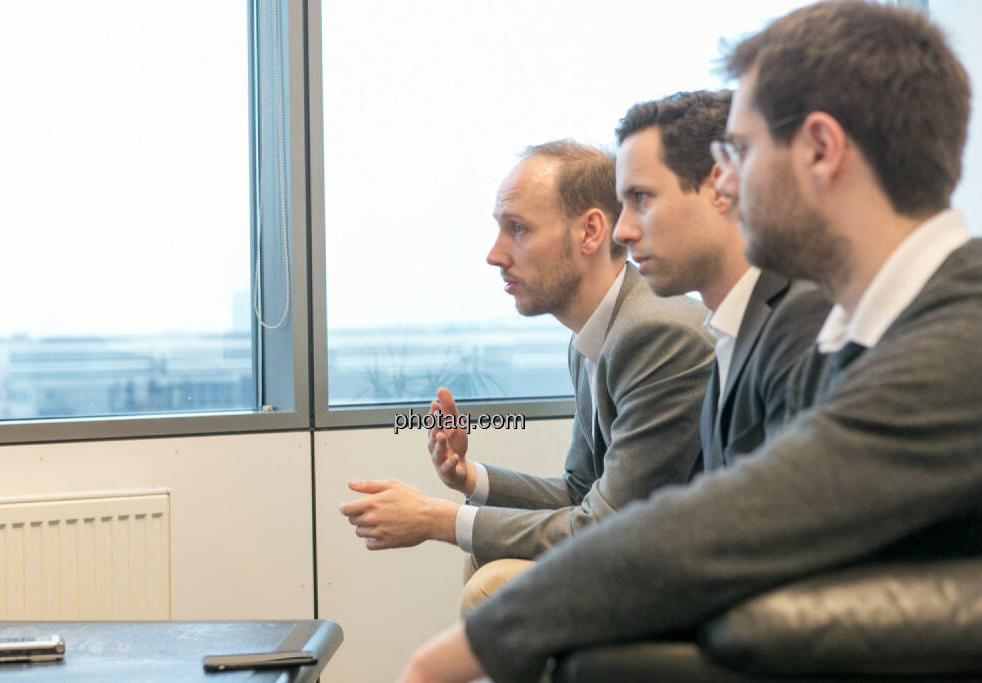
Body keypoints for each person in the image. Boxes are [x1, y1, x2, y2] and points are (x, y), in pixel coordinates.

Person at [399, 2, 980, 681]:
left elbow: (737, 518)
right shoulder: (870, 326)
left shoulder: (954, 344)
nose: (723, 183)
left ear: (821, 151)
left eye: (738, 152)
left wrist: (453, 653)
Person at [339, 141, 714, 612]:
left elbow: (605, 523)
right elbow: (581, 491)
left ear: (591, 232)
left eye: (517, 228)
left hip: (698, 582)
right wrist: (470, 478)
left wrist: (438, 520)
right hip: (644, 554)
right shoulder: (593, 338)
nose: (494, 255)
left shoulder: (656, 335)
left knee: (493, 582)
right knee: (487, 563)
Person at [612, 90, 830, 472]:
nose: (622, 231)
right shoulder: (733, 325)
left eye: (641, 198)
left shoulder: (803, 317)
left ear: (720, 185)